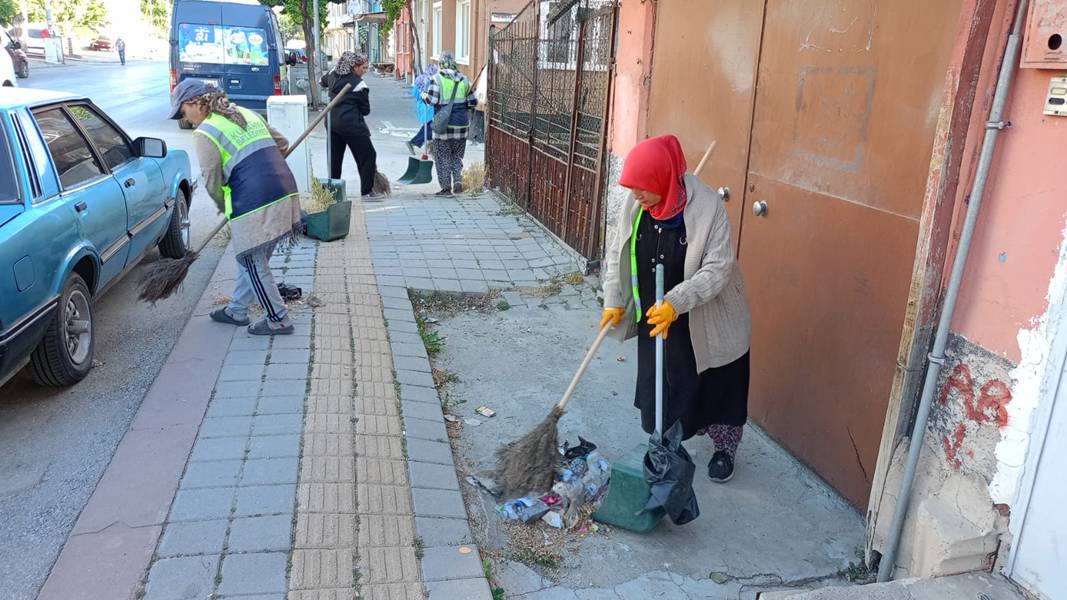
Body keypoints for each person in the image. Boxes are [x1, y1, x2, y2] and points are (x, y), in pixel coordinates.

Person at [600, 134, 752, 482]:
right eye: (632, 187)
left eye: (642, 187)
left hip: (705, 313)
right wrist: (612, 299)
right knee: (666, 381)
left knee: (718, 384)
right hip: (658, 316)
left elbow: (718, 268)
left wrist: (676, 302)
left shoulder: (708, 207)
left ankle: (724, 450)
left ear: (663, 180)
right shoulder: (637, 204)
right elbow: (616, 252)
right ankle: (669, 445)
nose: (635, 195)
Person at [169, 78, 301, 336]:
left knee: (251, 259)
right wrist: (264, 166)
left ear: (195, 103)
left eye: (183, 113)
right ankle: (237, 310)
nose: (185, 120)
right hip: (284, 189)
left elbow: (211, 179)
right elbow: (282, 144)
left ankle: (278, 319)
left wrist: (222, 203)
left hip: (254, 201)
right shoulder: (246, 113)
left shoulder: (206, 132)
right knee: (254, 258)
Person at [320, 51, 379, 197]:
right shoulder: (360, 85)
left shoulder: (333, 73)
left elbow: (322, 81)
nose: (364, 72)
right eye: (363, 68)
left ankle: (332, 192)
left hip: (332, 122)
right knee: (368, 155)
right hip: (352, 126)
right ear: (353, 67)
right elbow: (365, 111)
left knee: (334, 158)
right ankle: (367, 191)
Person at [421, 51, 476, 196]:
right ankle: (457, 180)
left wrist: (423, 96)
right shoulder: (465, 80)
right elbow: (473, 102)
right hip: (462, 126)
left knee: (442, 156)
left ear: (441, 64)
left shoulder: (437, 79)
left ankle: (446, 188)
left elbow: (432, 101)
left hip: (443, 127)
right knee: (457, 156)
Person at [406, 63, 438, 155]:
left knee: (428, 126)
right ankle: (414, 142)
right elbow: (433, 95)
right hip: (429, 106)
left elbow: (414, 93)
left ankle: (430, 146)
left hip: (421, 105)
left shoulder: (420, 78)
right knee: (430, 126)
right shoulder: (432, 80)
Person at [469, 63, 488, 145]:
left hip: (481, 105)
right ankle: (476, 136)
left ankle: (477, 136)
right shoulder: (485, 71)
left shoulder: (486, 71)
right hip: (480, 105)